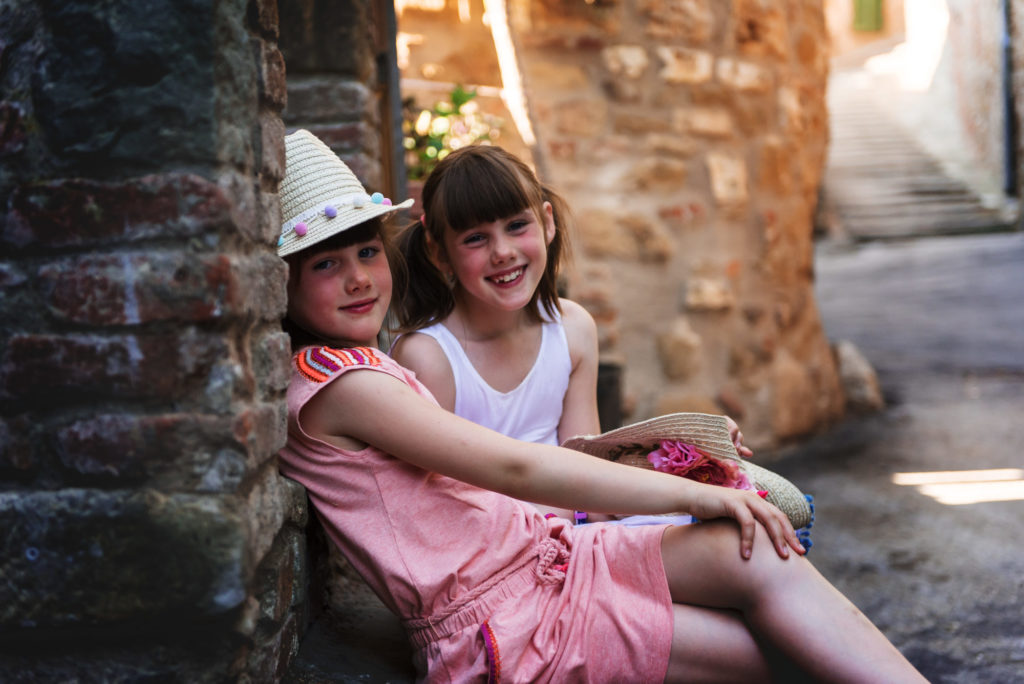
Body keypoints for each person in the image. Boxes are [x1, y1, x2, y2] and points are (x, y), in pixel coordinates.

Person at [275, 128, 927, 683]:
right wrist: (695, 495)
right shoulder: (345, 386)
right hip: (508, 618)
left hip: (548, 555)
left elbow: (567, 460)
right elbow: (514, 468)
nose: (358, 277)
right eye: (326, 265)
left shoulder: (363, 366)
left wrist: (678, 457)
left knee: (759, 555)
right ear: (282, 282)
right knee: (782, 653)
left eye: (367, 253)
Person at [390, 144, 752, 524]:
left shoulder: (572, 329)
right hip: (492, 543)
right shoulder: (429, 356)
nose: (502, 252)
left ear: (547, 222)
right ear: (439, 253)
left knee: (735, 530)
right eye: (475, 238)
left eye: (516, 226)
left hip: (577, 530)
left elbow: (587, 470)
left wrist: (690, 452)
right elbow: (441, 506)